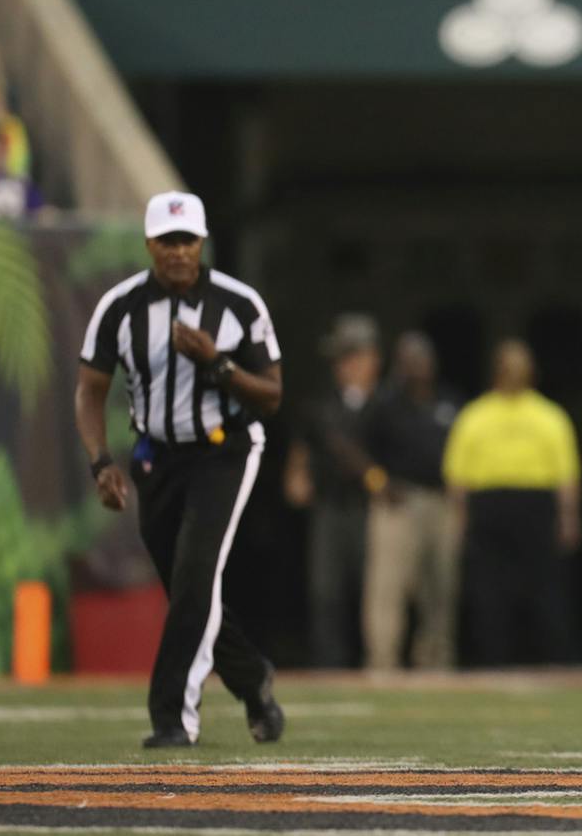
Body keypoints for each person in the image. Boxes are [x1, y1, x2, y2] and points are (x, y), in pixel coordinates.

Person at [73, 191, 285, 748]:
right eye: (167, 241)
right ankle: (251, 678)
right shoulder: (119, 307)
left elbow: (272, 395)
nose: (177, 253)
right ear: (148, 244)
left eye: (187, 240)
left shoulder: (239, 304)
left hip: (224, 451)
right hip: (155, 458)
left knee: (196, 578)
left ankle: (173, 716)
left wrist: (216, 364)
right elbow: (89, 391)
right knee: (189, 590)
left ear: (202, 242)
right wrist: (100, 462)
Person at [444, 338, 581, 665]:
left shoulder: (550, 415)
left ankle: (553, 662)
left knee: (545, 590)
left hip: (534, 507)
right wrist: (459, 518)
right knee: (490, 592)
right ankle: (493, 661)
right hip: (490, 508)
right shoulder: (475, 414)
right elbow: (457, 476)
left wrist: (569, 517)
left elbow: (567, 475)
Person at [286, 313, 382, 668]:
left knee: (373, 590)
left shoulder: (386, 403)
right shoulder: (322, 404)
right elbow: (303, 446)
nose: (346, 366)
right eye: (342, 358)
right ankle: (330, 663)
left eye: (353, 356)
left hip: (373, 507)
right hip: (330, 505)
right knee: (326, 589)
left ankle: (374, 660)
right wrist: (296, 476)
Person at [360, 331, 460, 670]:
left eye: (421, 358)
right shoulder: (384, 403)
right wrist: (377, 482)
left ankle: (436, 660)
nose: (415, 366)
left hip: (442, 501)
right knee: (388, 588)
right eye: (408, 360)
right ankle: (382, 661)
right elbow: (357, 449)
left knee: (441, 588)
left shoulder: (450, 402)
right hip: (397, 503)